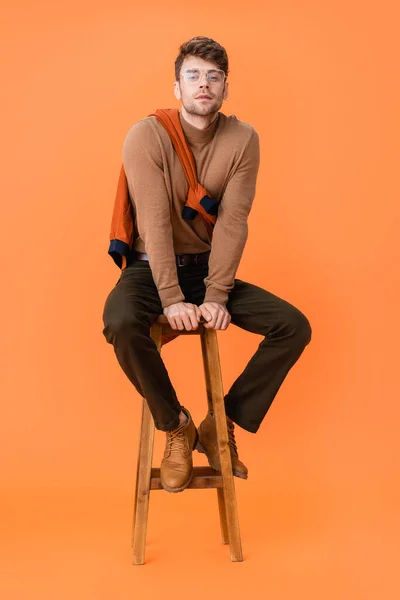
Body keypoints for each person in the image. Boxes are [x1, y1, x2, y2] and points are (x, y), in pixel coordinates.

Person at [102, 36, 312, 494]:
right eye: (194, 75)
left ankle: (222, 422)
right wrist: (173, 298)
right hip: (150, 269)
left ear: (225, 89)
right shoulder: (146, 135)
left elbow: (234, 223)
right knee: (119, 320)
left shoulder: (243, 139)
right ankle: (176, 425)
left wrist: (216, 294)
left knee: (292, 326)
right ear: (177, 87)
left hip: (206, 268)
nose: (204, 84)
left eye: (214, 77)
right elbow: (155, 224)